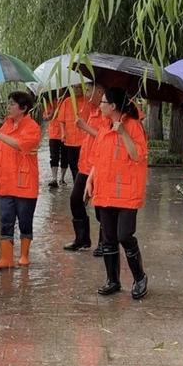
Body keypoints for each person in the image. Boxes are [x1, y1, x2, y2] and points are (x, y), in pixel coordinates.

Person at [85, 87, 149, 299]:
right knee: (109, 238)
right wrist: (90, 179)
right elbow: (98, 158)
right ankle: (113, 280)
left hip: (126, 193)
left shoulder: (133, 126)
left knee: (125, 235)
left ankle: (139, 277)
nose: (100, 105)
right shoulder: (104, 126)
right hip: (105, 191)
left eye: (103, 102)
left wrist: (123, 133)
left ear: (113, 106)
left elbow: (137, 155)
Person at [0, 91, 41, 270]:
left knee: (25, 220)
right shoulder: (6, 125)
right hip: (6, 183)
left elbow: (21, 145)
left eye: (12, 104)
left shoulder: (32, 127)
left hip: (24, 184)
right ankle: (6, 258)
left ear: (23, 108)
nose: (8, 107)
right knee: (6, 220)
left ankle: (24, 256)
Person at [63, 82, 107, 255]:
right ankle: (82, 238)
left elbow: (106, 137)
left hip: (100, 166)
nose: (86, 93)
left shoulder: (107, 113)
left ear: (100, 91)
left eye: (89, 90)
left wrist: (85, 127)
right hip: (86, 165)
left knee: (101, 207)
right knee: (76, 200)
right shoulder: (93, 110)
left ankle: (105, 242)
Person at [57, 84, 91, 181]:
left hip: (84, 140)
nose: (76, 90)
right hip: (70, 139)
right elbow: (61, 120)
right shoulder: (67, 101)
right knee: (72, 163)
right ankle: (76, 182)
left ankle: (82, 184)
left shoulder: (88, 101)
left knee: (84, 163)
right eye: (74, 87)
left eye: (79, 87)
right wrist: (63, 133)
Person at [43, 95, 68, 187]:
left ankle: (62, 178)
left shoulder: (67, 101)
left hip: (66, 133)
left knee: (65, 157)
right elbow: (46, 118)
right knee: (54, 156)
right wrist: (53, 111)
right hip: (53, 134)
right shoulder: (49, 104)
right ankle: (54, 178)